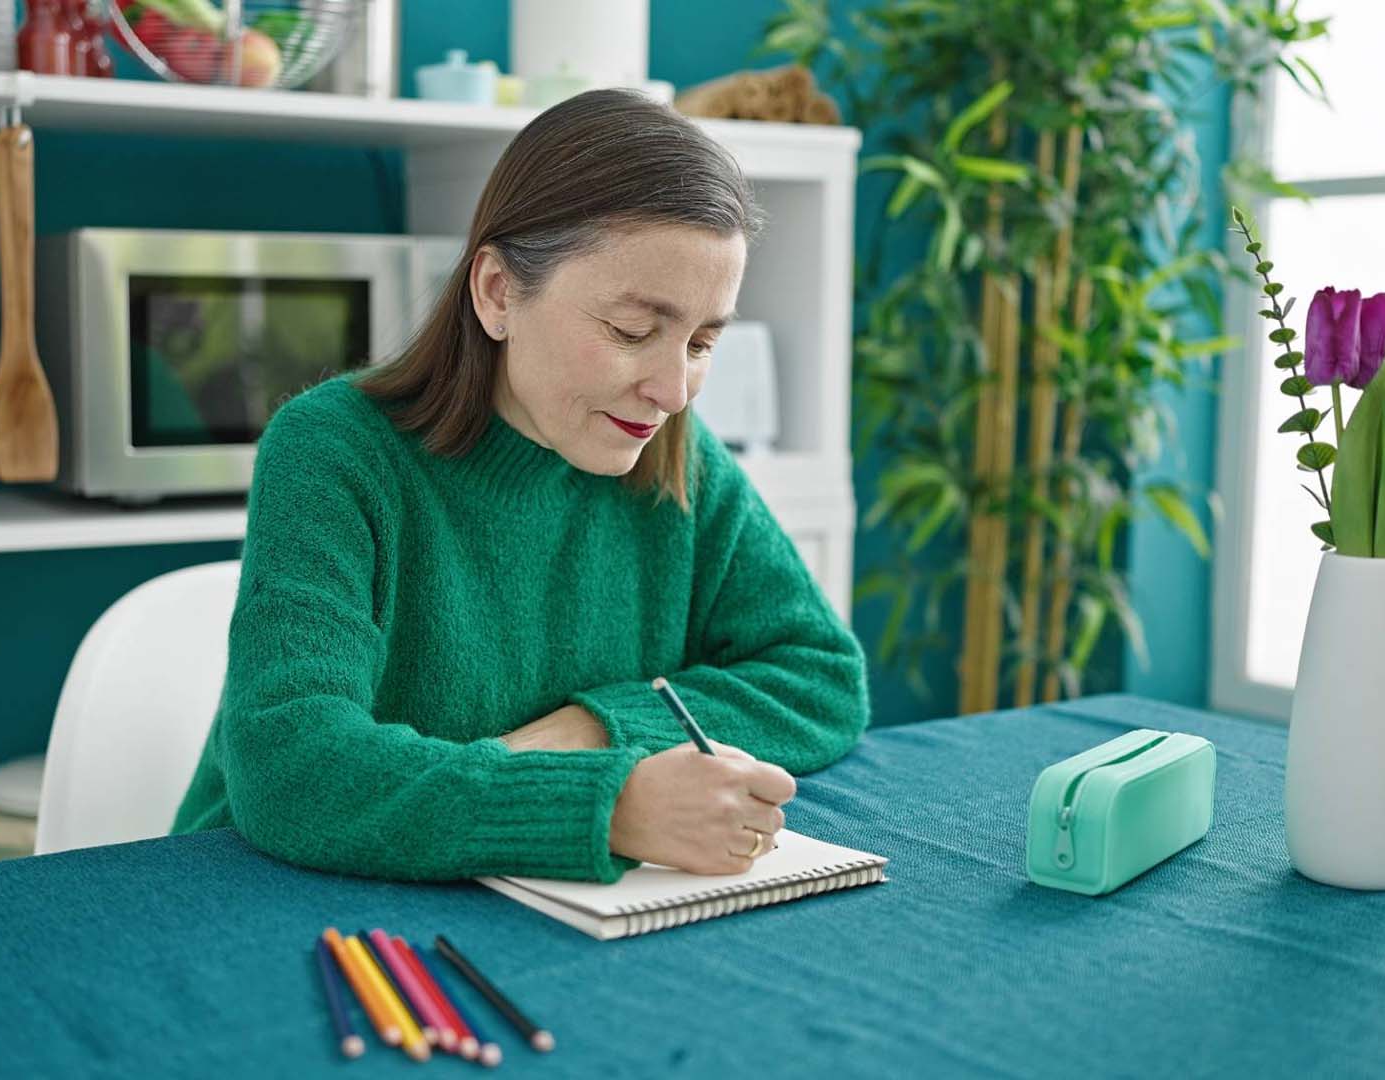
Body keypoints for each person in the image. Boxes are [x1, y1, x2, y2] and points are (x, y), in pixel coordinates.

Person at [172, 89, 869, 882]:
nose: (674, 390)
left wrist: (595, 729)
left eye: (704, 341)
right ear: (498, 293)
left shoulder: (675, 451)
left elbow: (822, 676)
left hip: (521, 898)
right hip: (273, 893)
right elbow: (293, 766)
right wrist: (611, 806)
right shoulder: (334, 451)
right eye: (633, 332)